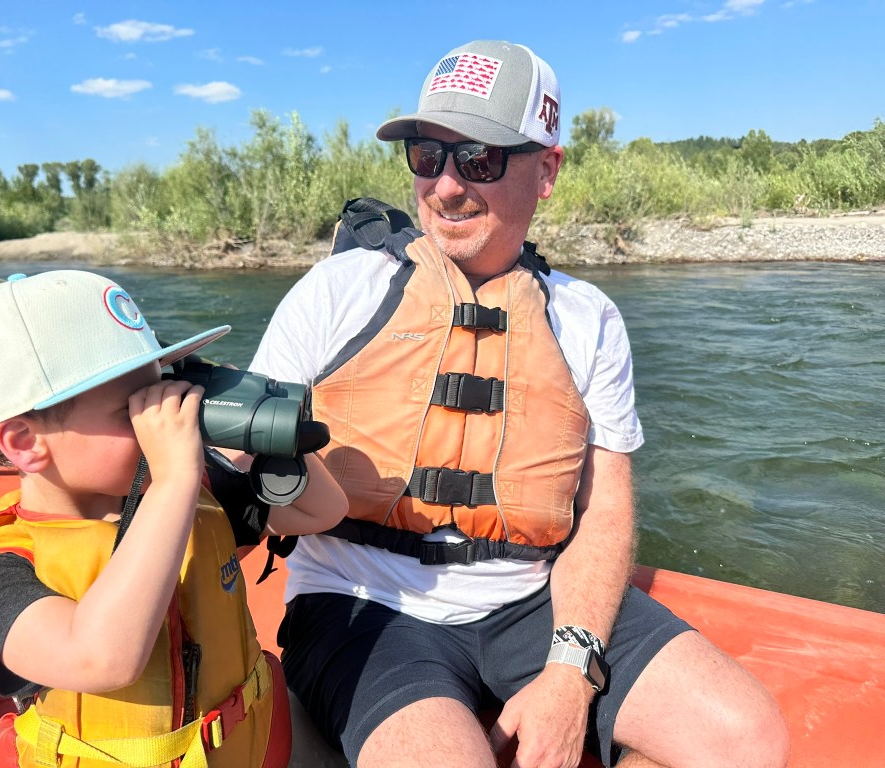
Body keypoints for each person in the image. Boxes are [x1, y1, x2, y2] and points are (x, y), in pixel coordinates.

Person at [249, 40, 790, 768]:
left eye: (478, 159)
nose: (445, 187)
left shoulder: (588, 319)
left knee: (746, 738)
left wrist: (571, 672)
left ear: (548, 171)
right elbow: (236, 459)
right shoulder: (338, 291)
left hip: (532, 603)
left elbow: (604, 508)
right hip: (362, 601)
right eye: (426, 156)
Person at [0, 268, 347, 768]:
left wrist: (256, 416)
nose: (163, 418)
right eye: (131, 410)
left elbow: (321, 510)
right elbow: (102, 659)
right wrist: (172, 481)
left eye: (163, 388)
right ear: (25, 442)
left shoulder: (192, 498)